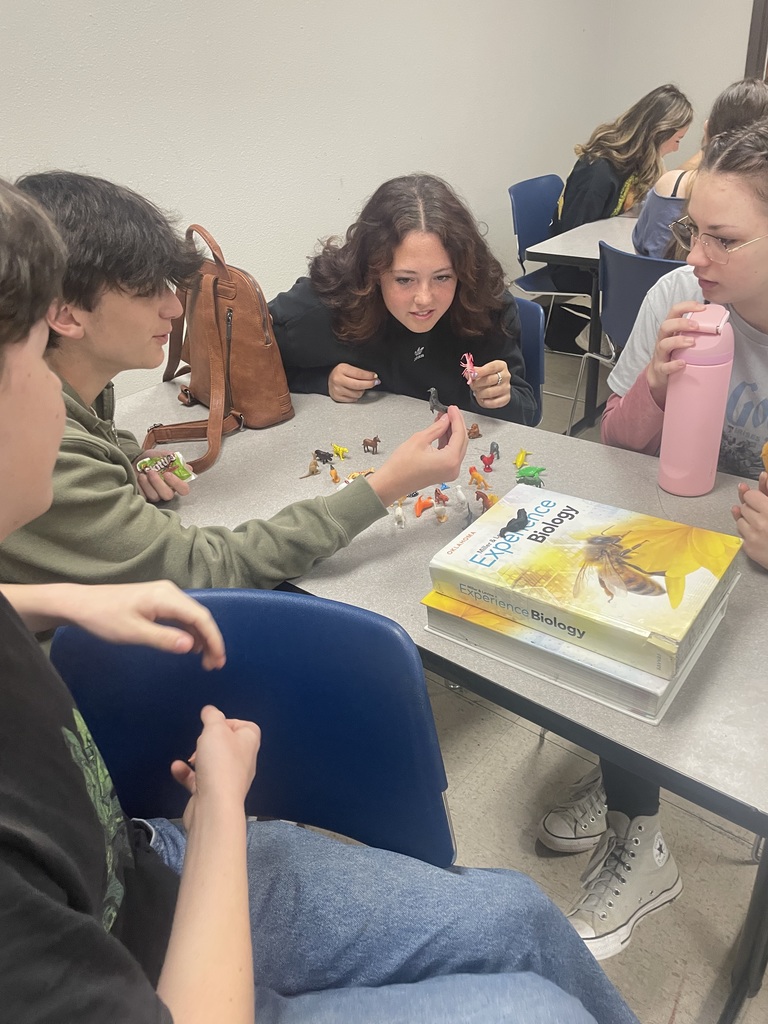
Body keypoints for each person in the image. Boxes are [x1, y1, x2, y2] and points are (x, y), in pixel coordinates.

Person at [0, 179, 642, 1023]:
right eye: (25, 363)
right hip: (168, 915)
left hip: (142, 862)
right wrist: (224, 809)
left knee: (521, 912)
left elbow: (94, 438)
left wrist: (44, 601)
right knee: (532, 1004)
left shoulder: (79, 430)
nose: (56, 392)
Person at [0, 170, 470, 593]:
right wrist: (386, 485)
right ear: (64, 315)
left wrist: (131, 458)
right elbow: (208, 566)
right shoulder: (38, 448)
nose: (174, 308)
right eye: (147, 291)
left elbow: (93, 432)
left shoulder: (72, 388)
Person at [538, 121, 768, 961]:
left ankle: (636, 774)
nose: (698, 256)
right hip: (683, 539)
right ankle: (640, 818)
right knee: (604, 601)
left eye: (726, 238)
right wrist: (660, 389)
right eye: (692, 230)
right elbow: (614, 445)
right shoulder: (680, 295)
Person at [269, 174, 537, 424]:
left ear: (463, 271)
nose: (424, 299)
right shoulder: (327, 305)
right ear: (372, 272)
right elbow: (240, 366)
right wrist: (318, 380)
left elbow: (528, 411)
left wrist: (500, 397)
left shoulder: (485, 307)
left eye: (442, 277)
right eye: (404, 280)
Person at [546, 85, 692, 352]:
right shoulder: (599, 170)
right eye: (677, 139)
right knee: (656, 284)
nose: (675, 148)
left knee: (660, 281)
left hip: (597, 259)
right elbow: (573, 239)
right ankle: (611, 342)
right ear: (659, 133)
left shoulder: (631, 162)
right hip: (572, 268)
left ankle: (618, 341)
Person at [633, 78, 768, 259]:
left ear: (707, 129)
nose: (693, 258)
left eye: (726, 239)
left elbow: (641, 249)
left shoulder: (671, 185)